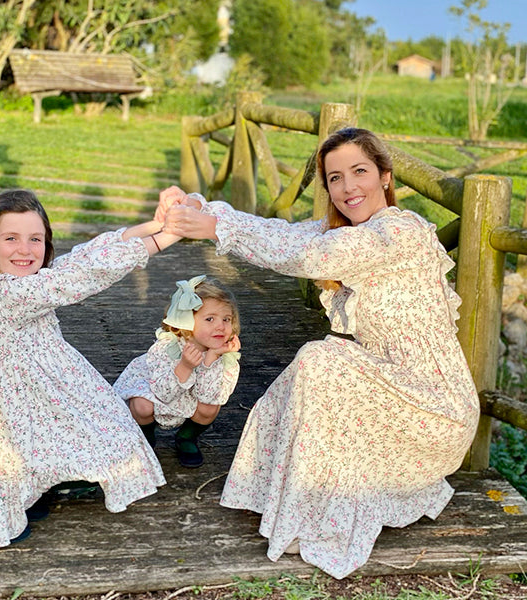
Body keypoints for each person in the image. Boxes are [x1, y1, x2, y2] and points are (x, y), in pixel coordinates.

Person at [161, 128, 480, 579]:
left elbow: (307, 254)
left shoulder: (398, 233)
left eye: (360, 172)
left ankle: (310, 515)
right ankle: (288, 500)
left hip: (436, 409)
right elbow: (280, 233)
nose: (349, 187)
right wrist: (201, 208)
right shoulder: (348, 229)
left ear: (385, 177)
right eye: (335, 178)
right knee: (315, 366)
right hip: (392, 391)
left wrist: (215, 228)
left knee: (321, 360)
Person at [0, 186, 181, 548]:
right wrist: (166, 237)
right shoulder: (8, 293)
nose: (26, 249)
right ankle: (0, 515)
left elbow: (82, 257)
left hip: (31, 382)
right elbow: (78, 278)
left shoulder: (21, 281)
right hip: (7, 394)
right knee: (7, 454)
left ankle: (41, 487)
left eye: (36, 239)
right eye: (11, 238)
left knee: (48, 433)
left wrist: (150, 226)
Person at [113, 275, 241, 468]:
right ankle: (146, 437)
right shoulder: (166, 349)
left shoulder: (226, 357)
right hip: (157, 393)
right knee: (142, 406)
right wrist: (185, 366)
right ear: (185, 322)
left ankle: (186, 438)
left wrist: (212, 358)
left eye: (226, 319)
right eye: (210, 319)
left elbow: (208, 396)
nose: (220, 326)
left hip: (190, 399)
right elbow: (163, 393)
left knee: (210, 408)